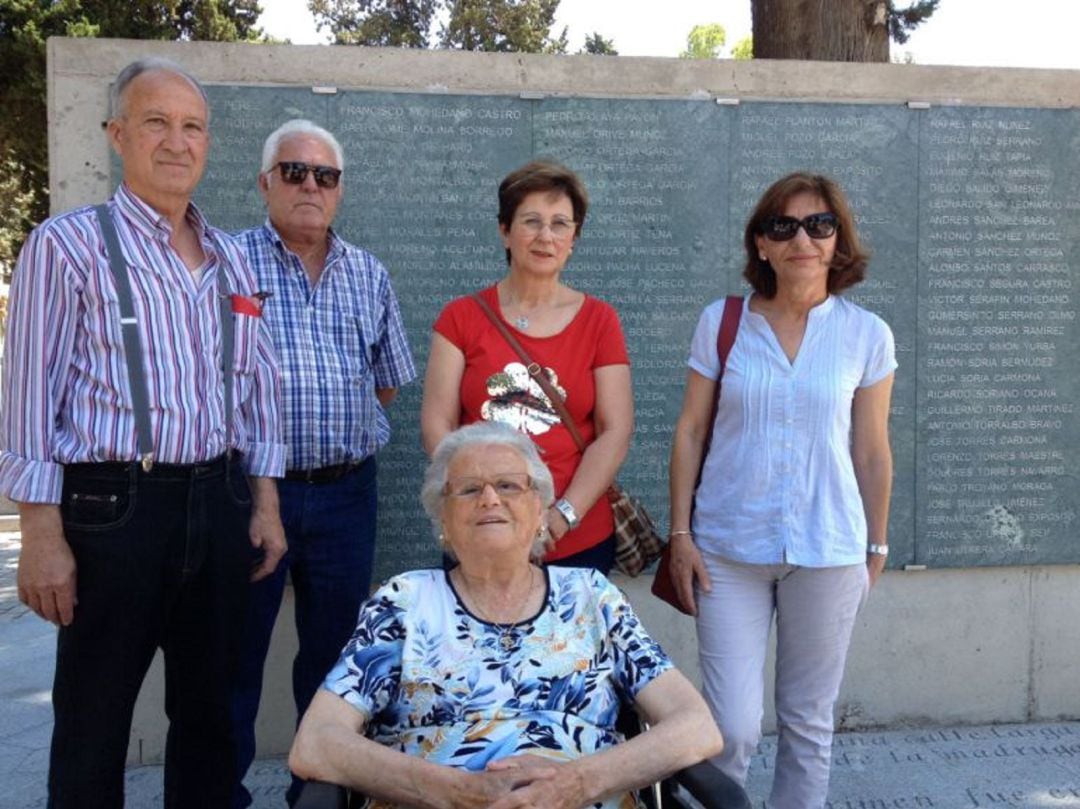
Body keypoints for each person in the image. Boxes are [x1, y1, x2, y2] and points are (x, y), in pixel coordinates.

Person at [0, 58, 286, 808]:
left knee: (212, 715)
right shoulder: (65, 247)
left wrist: (264, 503)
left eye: (192, 126)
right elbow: (31, 399)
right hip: (112, 508)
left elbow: (253, 392)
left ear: (208, 144)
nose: (175, 141)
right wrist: (41, 531)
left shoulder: (228, 259)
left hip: (218, 500)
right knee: (94, 719)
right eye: (155, 122)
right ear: (117, 135)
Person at [289, 421, 723, 808]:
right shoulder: (404, 602)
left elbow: (696, 726)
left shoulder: (591, 596)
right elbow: (316, 743)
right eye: (469, 489)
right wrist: (456, 791)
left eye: (509, 485)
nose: (490, 498)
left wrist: (575, 784)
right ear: (443, 518)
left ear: (540, 511)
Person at [667, 172, 896, 809]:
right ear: (762, 244)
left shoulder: (866, 335)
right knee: (732, 726)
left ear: (838, 241)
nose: (803, 238)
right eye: (783, 226)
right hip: (728, 548)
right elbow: (688, 432)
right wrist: (680, 534)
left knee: (808, 723)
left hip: (829, 549)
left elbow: (872, 450)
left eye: (820, 225)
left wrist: (875, 544)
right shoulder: (723, 322)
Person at [230, 119, 416, 806]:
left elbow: (389, 378)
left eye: (325, 176)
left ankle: (320, 793)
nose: (310, 185)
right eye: (294, 171)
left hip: (345, 493)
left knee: (336, 659)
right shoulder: (229, 262)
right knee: (233, 656)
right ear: (265, 182)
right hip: (250, 492)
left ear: (340, 189)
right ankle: (223, 793)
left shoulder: (367, 273)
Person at [420, 160, 631, 574]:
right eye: (531, 221)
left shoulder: (600, 320)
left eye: (560, 224)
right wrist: (483, 501)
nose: (545, 237)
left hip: (575, 536)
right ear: (505, 231)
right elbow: (437, 425)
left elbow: (616, 429)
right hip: (481, 529)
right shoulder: (460, 317)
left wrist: (562, 515)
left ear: (574, 237)